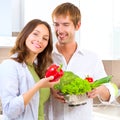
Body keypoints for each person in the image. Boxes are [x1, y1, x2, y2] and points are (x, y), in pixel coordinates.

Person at [48, 2, 117, 120]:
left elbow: (110, 93)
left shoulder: (91, 58)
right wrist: (49, 89)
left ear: (77, 26)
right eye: (56, 24)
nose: (59, 30)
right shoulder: (44, 57)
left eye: (65, 24)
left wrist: (99, 90)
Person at [0, 19, 59, 120]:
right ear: (25, 35)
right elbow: (10, 110)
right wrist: (38, 86)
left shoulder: (37, 69)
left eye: (45, 38)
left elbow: (39, 105)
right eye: (35, 34)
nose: (40, 40)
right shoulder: (9, 65)